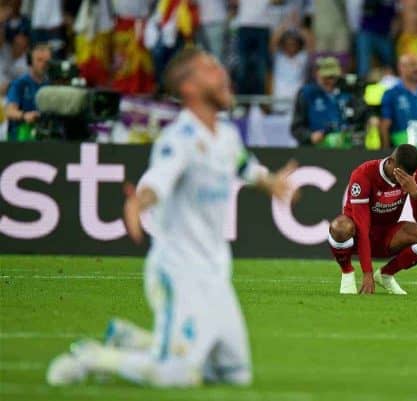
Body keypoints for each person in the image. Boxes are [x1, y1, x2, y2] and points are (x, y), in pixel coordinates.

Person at [46, 49, 297, 387]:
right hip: (179, 269)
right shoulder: (178, 139)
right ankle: (92, 357)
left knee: (235, 375)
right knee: (179, 376)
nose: (222, 73)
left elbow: (244, 166)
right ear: (189, 88)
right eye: (210, 69)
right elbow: (156, 181)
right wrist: (138, 204)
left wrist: (270, 182)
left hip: (216, 274)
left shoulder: (226, 135)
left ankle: (134, 340)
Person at [328, 144, 417, 295]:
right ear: (391, 162)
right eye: (399, 174)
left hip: (387, 236)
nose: (402, 180)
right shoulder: (364, 174)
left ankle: (386, 274)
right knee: (339, 227)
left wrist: (415, 195)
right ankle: (347, 272)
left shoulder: (415, 174)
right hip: (355, 237)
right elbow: (362, 227)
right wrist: (367, 272)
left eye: (407, 176)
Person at [291, 57, 361, 147]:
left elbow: (357, 121)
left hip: (344, 147)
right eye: (325, 77)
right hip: (315, 150)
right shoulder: (307, 94)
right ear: (317, 74)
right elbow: (296, 127)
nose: (329, 81)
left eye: (332, 77)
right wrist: (310, 136)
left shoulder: (348, 93)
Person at [379, 54, 417, 149]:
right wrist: (386, 152)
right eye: (413, 65)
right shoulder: (392, 93)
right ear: (401, 68)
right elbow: (385, 125)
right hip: (402, 152)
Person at [4, 43, 51, 141]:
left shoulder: (50, 85)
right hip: (21, 135)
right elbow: (9, 111)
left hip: (43, 133)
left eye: (46, 61)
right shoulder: (20, 83)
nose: (43, 64)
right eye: (39, 60)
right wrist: (24, 115)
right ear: (30, 61)